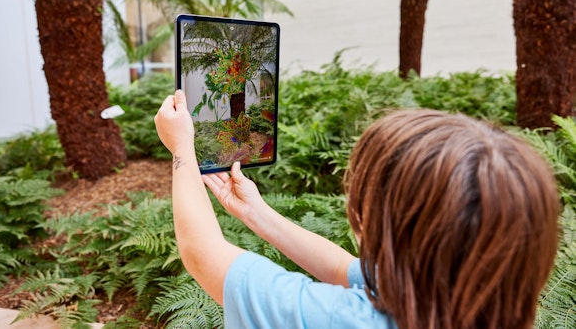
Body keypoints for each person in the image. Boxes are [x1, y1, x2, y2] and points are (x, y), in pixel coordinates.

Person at [154, 90, 560, 329]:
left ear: (376, 224)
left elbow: (202, 254)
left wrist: (182, 150)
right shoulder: (459, 300)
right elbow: (343, 271)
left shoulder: (339, 320)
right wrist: (257, 213)